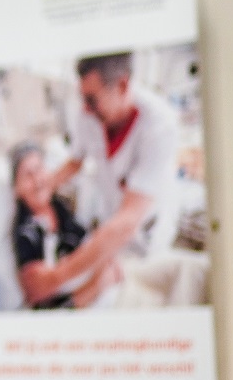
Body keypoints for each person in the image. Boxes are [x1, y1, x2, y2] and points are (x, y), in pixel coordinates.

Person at [38, 52, 203, 306]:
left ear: (123, 85)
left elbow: (128, 219)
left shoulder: (159, 125)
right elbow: (75, 161)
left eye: (93, 99)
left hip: (147, 229)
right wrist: (45, 184)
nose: (86, 108)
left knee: (137, 293)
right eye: (83, 98)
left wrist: (55, 278)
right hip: (112, 219)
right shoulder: (87, 116)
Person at [8, 141, 110, 309]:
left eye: (39, 169)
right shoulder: (27, 234)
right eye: (27, 175)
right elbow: (42, 299)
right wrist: (96, 283)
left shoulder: (60, 208)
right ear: (16, 189)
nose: (37, 180)